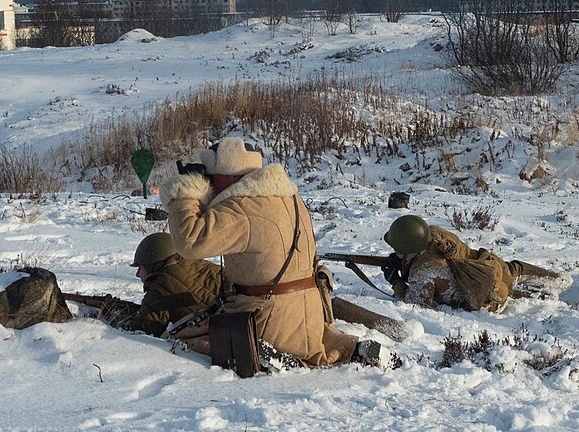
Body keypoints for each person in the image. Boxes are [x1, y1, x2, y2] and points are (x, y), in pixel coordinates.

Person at [160, 137, 384, 368]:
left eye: (210, 177)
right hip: (309, 313)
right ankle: (353, 349)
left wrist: (186, 190)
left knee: (185, 339)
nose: (209, 185)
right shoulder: (289, 197)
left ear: (228, 176)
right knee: (320, 343)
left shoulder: (242, 208)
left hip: (268, 315)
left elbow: (189, 242)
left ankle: (268, 355)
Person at [381, 215, 572, 312]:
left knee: (509, 294)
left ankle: (541, 299)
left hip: (483, 298)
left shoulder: (422, 272)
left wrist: (396, 282)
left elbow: (416, 306)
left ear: (408, 247)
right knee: (512, 271)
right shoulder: (437, 234)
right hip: (491, 267)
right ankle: (559, 281)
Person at [125, 232, 225, 337]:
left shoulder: (160, 287)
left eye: (140, 268)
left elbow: (142, 329)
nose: (137, 274)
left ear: (153, 266)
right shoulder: (198, 264)